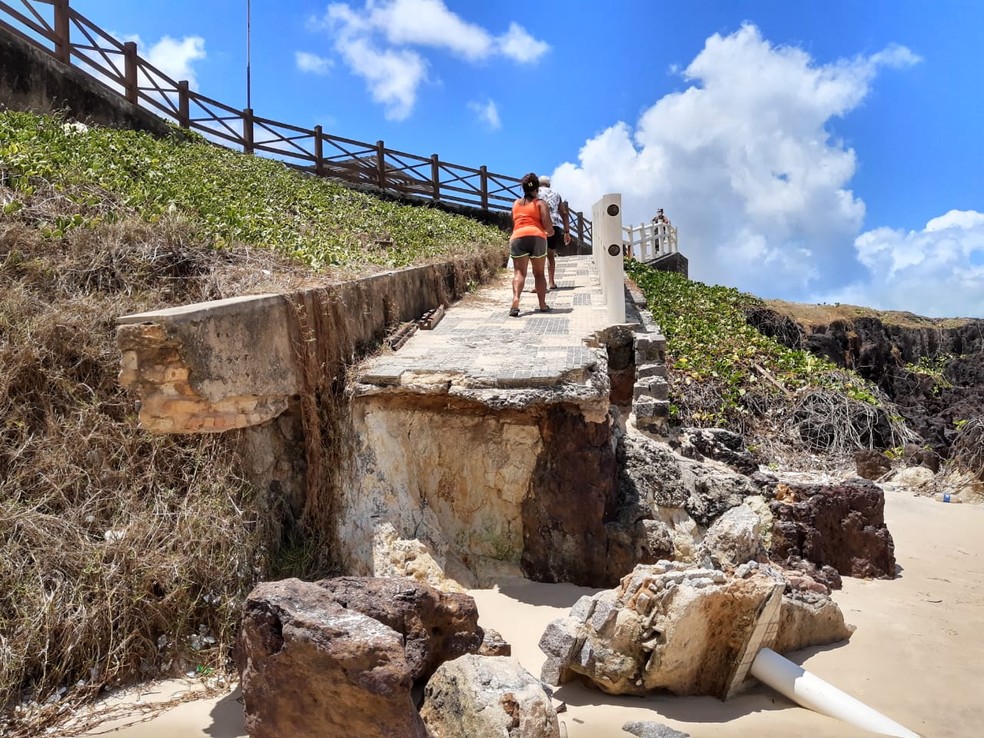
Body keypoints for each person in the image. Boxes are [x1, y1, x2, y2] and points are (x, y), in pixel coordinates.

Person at [508, 172, 554, 317]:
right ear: (537, 188)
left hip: (518, 237)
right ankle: (542, 304)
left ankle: (516, 300)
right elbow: (548, 226)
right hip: (537, 237)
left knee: (519, 273)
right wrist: (551, 232)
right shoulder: (540, 203)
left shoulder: (515, 204)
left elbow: (515, 221)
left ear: (523, 188)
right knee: (539, 273)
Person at [537, 174, 570, 290]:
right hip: (554, 225)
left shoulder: (535, 192)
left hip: (539, 224)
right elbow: (564, 213)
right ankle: (551, 282)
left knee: (538, 255)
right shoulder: (556, 194)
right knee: (550, 254)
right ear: (549, 184)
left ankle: (538, 285)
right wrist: (567, 231)